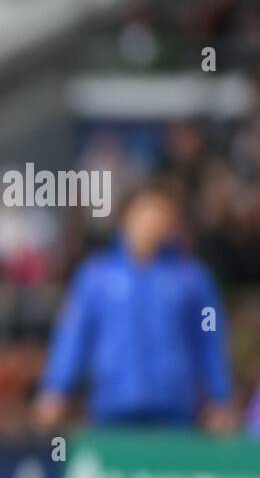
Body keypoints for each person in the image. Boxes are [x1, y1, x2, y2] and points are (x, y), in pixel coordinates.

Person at [35, 184, 234, 432]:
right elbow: (73, 335)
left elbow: (210, 340)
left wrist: (220, 396)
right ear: (126, 219)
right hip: (111, 404)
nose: (151, 223)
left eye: (160, 215)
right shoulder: (97, 277)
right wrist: (56, 388)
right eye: (144, 214)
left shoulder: (192, 279)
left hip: (175, 407)